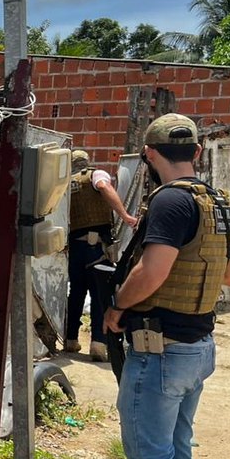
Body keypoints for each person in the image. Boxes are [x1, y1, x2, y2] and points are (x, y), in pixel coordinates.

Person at [100, 114, 230, 459]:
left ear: (149, 154)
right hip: (197, 346)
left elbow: (152, 270)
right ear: (197, 152)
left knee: (148, 452)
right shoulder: (217, 201)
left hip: (160, 349)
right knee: (175, 446)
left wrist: (117, 306)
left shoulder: (169, 202)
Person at [65, 149, 138, 363]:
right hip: (96, 247)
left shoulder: (66, 184)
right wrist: (124, 215)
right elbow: (104, 187)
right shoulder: (96, 175)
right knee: (99, 294)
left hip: (75, 249)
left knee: (76, 293)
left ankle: (70, 339)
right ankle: (98, 343)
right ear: (87, 163)